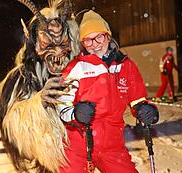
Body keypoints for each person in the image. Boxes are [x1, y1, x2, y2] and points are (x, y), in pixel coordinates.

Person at [57, 10, 159, 173]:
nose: (95, 44)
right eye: (88, 40)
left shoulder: (126, 66)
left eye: (99, 37)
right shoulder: (76, 67)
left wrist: (144, 109)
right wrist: (76, 113)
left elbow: (137, 99)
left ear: (108, 36)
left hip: (112, 146)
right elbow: (60, 105)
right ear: (82, 43)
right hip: (78, 146)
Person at [0, 0, 80, 172]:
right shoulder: (21, 78)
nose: (57, 53)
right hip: (46, 158)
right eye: (48, 45)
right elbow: (12, 125)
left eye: (62, 45)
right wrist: (39, 104)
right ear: (33, 43)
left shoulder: (80, 70)